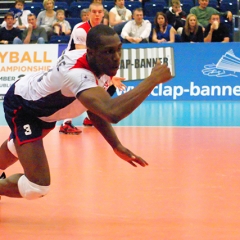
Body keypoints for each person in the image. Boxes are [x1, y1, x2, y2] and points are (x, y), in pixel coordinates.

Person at [0, 24, 172, 200]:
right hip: (23, 106)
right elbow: (112, 112)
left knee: (18, 145)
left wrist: (116, 145)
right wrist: (153, 80)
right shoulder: (77, 73)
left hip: (46, 112)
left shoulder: (102, 65)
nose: (116, 58)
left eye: (118, 50)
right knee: (37, 187)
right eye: (108, 52)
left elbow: (95, 109)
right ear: (90, 52)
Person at [61, 2, 125, 133]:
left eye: (99, 12)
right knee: (77, 91)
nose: (97, 14)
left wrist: (110, 77)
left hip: (89, 63)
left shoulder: (103, 30)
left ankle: (93, 116)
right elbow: (82, 54)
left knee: (109, 86)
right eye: (94, 12)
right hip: (72, 64)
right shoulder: (81, 30)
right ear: (88, 13)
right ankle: (65, 123)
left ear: (103, 13)